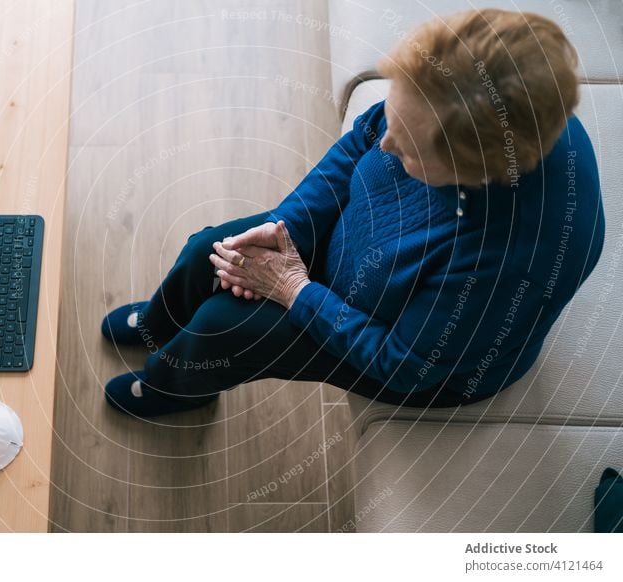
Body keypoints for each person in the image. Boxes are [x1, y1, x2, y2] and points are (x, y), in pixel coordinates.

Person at [100, 8, 605, 417]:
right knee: (204, 250)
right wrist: (284, 229)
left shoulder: (507, 259)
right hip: (350, 263)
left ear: (466, 169)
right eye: (391, 115)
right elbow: (356, 146)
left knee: (221, 325)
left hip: (410, 355)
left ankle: (173, 389)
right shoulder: (444, 97)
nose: (383, 144)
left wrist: (295, 290)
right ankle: (160, 326)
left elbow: (404, 364)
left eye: (405, 151)